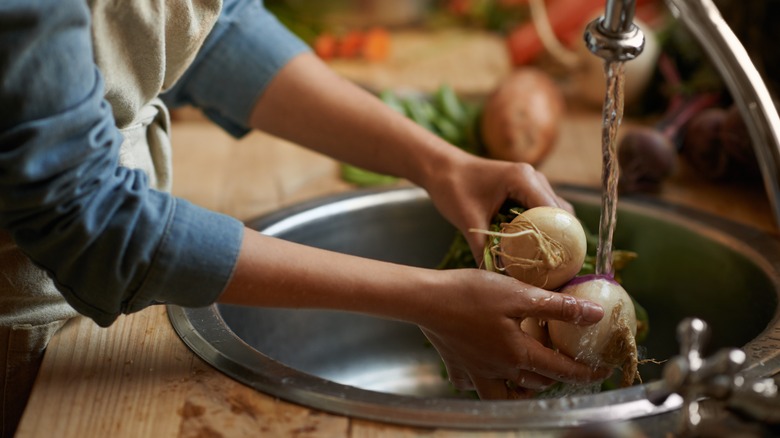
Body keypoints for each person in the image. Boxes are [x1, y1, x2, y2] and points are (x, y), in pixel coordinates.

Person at [0, 0, 608, 434]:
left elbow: (207, 26)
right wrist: (427, 299)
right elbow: (91, 215)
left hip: (114, 306)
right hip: (25, 341)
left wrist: (443, 164)